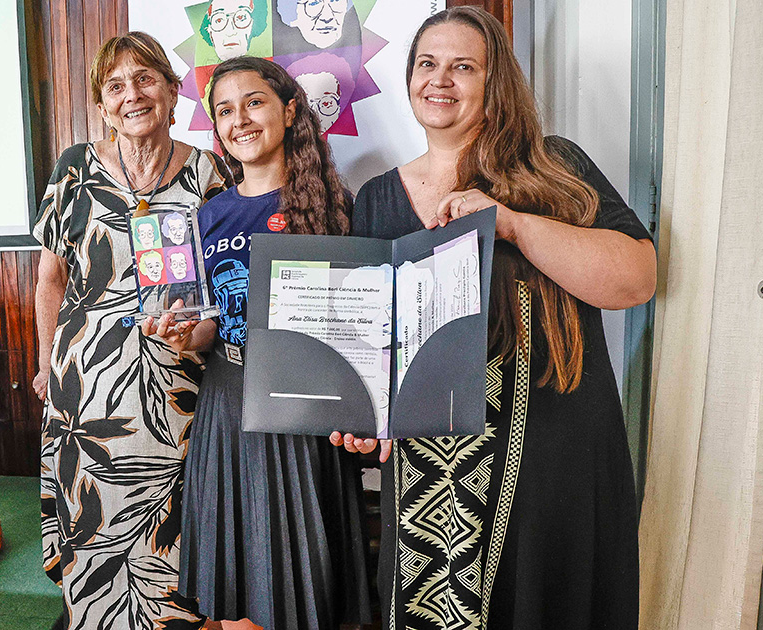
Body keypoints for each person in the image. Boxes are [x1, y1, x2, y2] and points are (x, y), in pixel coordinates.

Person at [330, 7, 656, 629]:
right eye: (427, 64)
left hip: (551, 456)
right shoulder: (377, 198)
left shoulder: (553, 167)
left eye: (463, 67)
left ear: (494, 82)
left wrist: (510, 222)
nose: (440, 80)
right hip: (432, 481)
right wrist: (368, 420)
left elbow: (635, 279)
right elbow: (377, 348)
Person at [146, 55, 369, 630]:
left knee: (305, 596)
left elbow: (358, 326)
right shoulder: (209, 215)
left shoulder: (335, 205)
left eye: (254, 102)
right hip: (230, 404)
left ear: (289, 110)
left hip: (307, 414)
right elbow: (207, 329)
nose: (239, 119)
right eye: (224, 110)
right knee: (240, 599)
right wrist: (181, 332)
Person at [31, 31, 233, 630]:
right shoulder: (74, 168)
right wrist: (46, 363)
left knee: (169, 519)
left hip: (175, 383)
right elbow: (49, 279)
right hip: (83, 387)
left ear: (173, 93)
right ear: (101, 102)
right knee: (92, 518)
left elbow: (227, 283)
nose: (131, 96)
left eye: (146, 80)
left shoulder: (208, 172)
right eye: (115, 86)